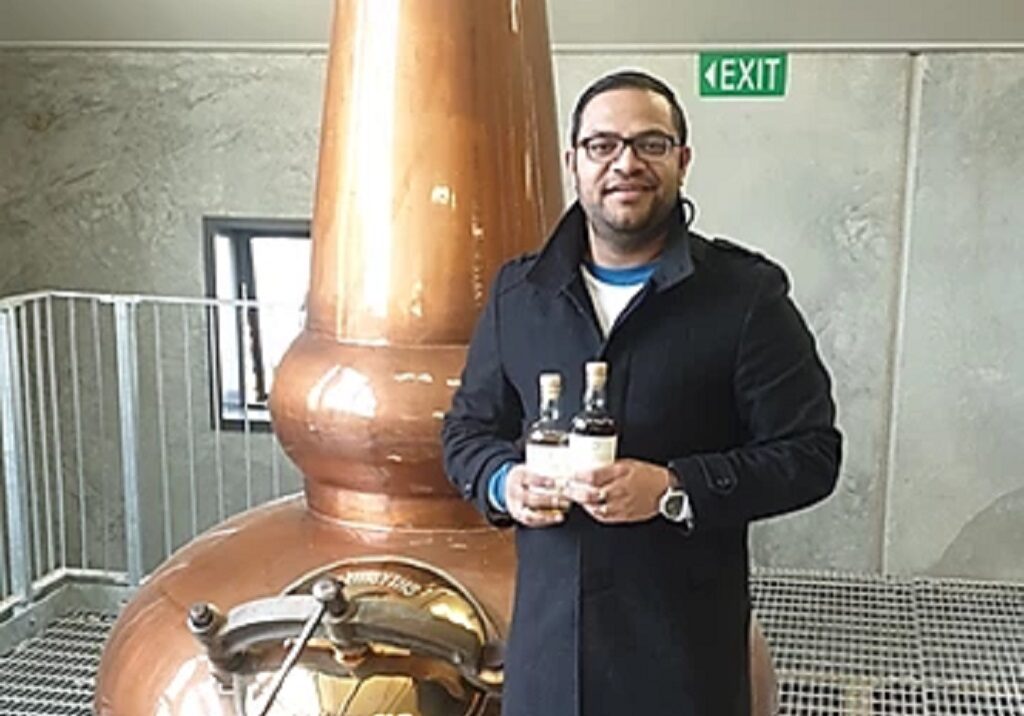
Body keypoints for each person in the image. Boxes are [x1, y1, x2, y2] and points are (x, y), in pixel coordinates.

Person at [442, 69, 841, 716]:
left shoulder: (744, 299)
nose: (625, 162)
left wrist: (673, 488)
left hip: (681, 661)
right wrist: (501, 483)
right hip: (550, 660)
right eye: (602, 145)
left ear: (682, 161)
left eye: (649, 144)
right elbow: (466, 432)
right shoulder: (519, 297)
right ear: (573, 163)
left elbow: (811, 454)